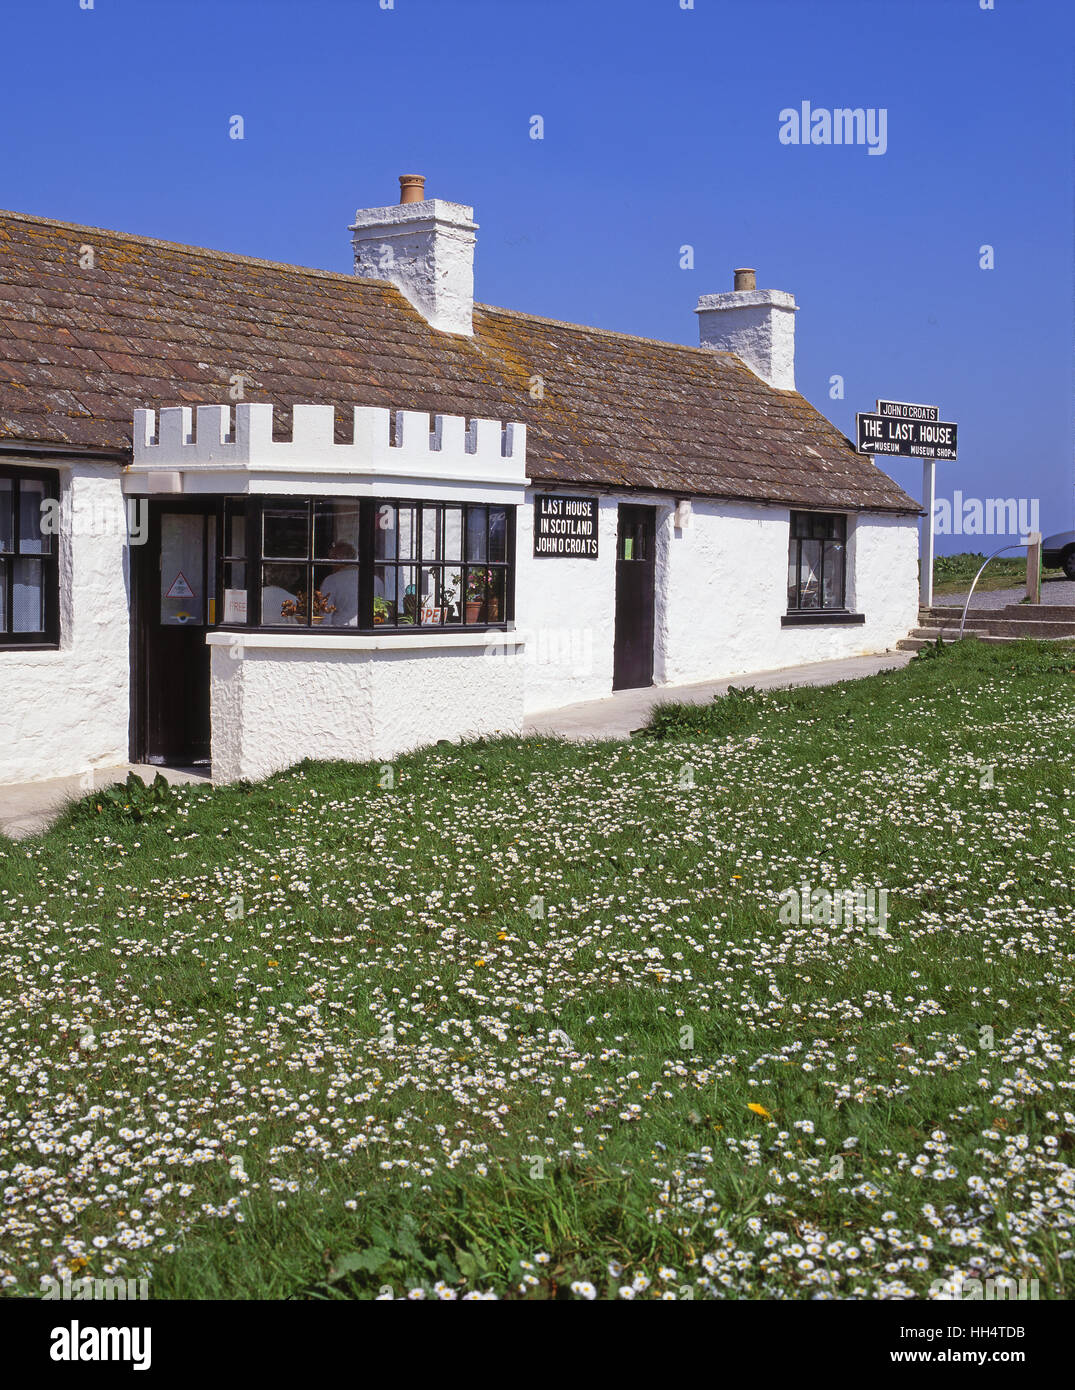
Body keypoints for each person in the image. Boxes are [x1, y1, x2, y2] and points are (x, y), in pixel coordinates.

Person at [319, 541, 360, 626]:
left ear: (336, 559)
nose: (331, 564)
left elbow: (325, 615)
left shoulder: (331, 580)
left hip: (341, 631)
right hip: (370, 631)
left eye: (331, 560)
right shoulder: (375, 580)